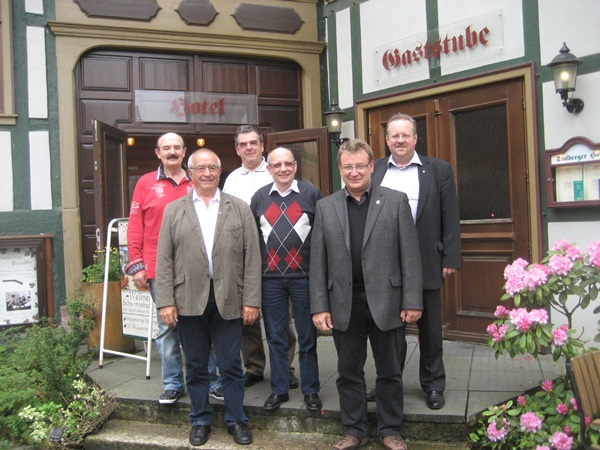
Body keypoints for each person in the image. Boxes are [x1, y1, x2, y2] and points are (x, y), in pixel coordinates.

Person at [310, 139, 423, 450]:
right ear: (340, 169)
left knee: (389, 371)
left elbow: (410, 255)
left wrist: (412, 300)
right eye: (348, 166)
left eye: (361, 165)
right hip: (343, 304)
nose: (355, 172)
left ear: (372, 166)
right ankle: (354, 430)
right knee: (348, 372)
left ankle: (390, 430)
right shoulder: (326, 206)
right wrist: (319, 306)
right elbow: (318, 262)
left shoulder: (395, 201)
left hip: (387, 302)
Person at [155, 149, 261, 446]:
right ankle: (200, 419)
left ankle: (237, 419)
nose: (206, 173)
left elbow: (252, 258)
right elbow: (163, 260)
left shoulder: (239, 208)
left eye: (212, 168)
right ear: (190, 173)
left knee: (230, 364)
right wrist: (165, 302)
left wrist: (251, 300)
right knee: (197, 364)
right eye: (200, 168)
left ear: (219, 171)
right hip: (188, 300)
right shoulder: (174, 210)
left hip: (230, 298)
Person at [371, 113, 461, 410]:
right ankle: (389, 381)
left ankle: (433, 384)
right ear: (386, 141)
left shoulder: (438, 170)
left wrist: (450, 256)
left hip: (426, 260)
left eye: (405, 135)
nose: (399, 140)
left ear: (415, 138)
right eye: (394, 135)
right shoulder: (375, 170)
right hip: (386, 264)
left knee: (430, 329)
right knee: (389, 328)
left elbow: (450, 217)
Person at [223, 125, 298, 389]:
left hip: (275, 255)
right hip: (242, 256)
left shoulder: (277, 170)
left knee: (281, 316)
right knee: (247, 314)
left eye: (253, 142)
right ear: (237, 149)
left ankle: (285, 367)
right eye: (243, 144)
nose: (249, 148)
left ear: (262, 145)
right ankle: (254, 366)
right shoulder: (231, 179)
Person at [250, 147, 322, 412]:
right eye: (276, 164)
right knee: (276, 337)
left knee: (307, 336)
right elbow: (255, 242)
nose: (282, 169)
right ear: (268, 169)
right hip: (270, 280)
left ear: (295, 166)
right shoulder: (259, 198)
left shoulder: (311, 195)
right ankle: (279, 389)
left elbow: (320, 238)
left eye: (287, 164)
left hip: (304, 277)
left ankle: (311, 390)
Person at [124, 132, 192, 405]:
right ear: (158, 153)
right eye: (167, 148)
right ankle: (173, 384)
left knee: (200, 323)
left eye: (176, 147)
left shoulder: (195, 179)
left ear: (184, 151)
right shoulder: (145, 183)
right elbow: (135, 224)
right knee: (167, 327)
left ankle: (210, 380)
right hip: (156, 268)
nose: (172, 152)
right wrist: (137, 265)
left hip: (193, 266)